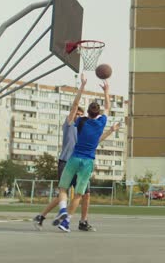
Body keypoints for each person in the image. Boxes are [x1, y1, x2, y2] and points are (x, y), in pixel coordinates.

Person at [33, 74, 118, 231]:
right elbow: (102, 107)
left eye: (80, 114)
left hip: (76, 160)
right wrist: (106, 92)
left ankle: (80, 221)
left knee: (83, 194)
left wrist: (111, 131)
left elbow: (96, 139)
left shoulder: (81, 124)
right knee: (67, 193)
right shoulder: (70, 124)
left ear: (84, 114)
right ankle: (44, 216)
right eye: (76, 114)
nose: (78, 115)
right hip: (67, 160)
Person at [54, 77, 111, 232]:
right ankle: (66, 222)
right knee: (79, 194)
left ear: (87, 112)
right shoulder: (101, 123)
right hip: (87, 162)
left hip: (73, 158)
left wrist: (82, 86)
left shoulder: (81, 122)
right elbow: (107, 106)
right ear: (98, 113)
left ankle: (62, 209)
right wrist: (106, 91)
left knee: (63, 189)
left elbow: (74, 107)